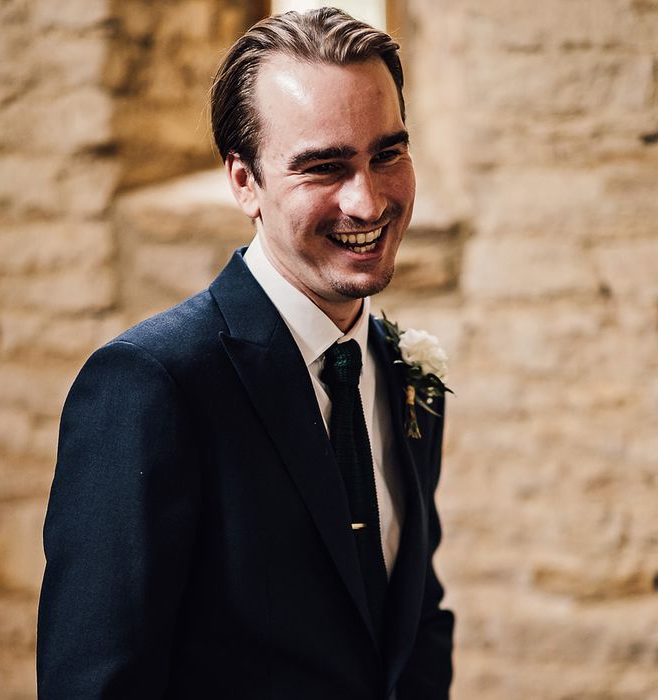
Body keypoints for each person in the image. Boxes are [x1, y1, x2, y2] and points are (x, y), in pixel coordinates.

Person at [37, 7, 454, 699]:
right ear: (244, 182)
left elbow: (414, 619)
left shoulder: (402, 367)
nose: (368, 199)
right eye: (324, 167)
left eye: (388, 153)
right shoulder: (150, 385)